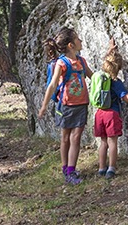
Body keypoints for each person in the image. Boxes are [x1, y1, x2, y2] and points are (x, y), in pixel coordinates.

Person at [38, 27, 93, 185]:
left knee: (75, 138)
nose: (80, 41)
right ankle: (66, 168)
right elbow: (53, 85)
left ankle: (71, 170)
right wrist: (44, 106)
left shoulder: (82, 61)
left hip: (81, 105)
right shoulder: (61, 63)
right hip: (66, 106)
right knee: (65, 138)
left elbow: (93, 76)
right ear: (71, 45)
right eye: (77, 39)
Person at [93, 39, 128, 179]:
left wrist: (110, 49)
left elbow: (107, 60)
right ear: (119, 68)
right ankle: (111, 168)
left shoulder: (100, 76)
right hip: (112, 114)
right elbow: (127, 98)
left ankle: (101, 168)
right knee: (112, 142)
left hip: (99, 114)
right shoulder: (116, 82)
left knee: (103, 143)